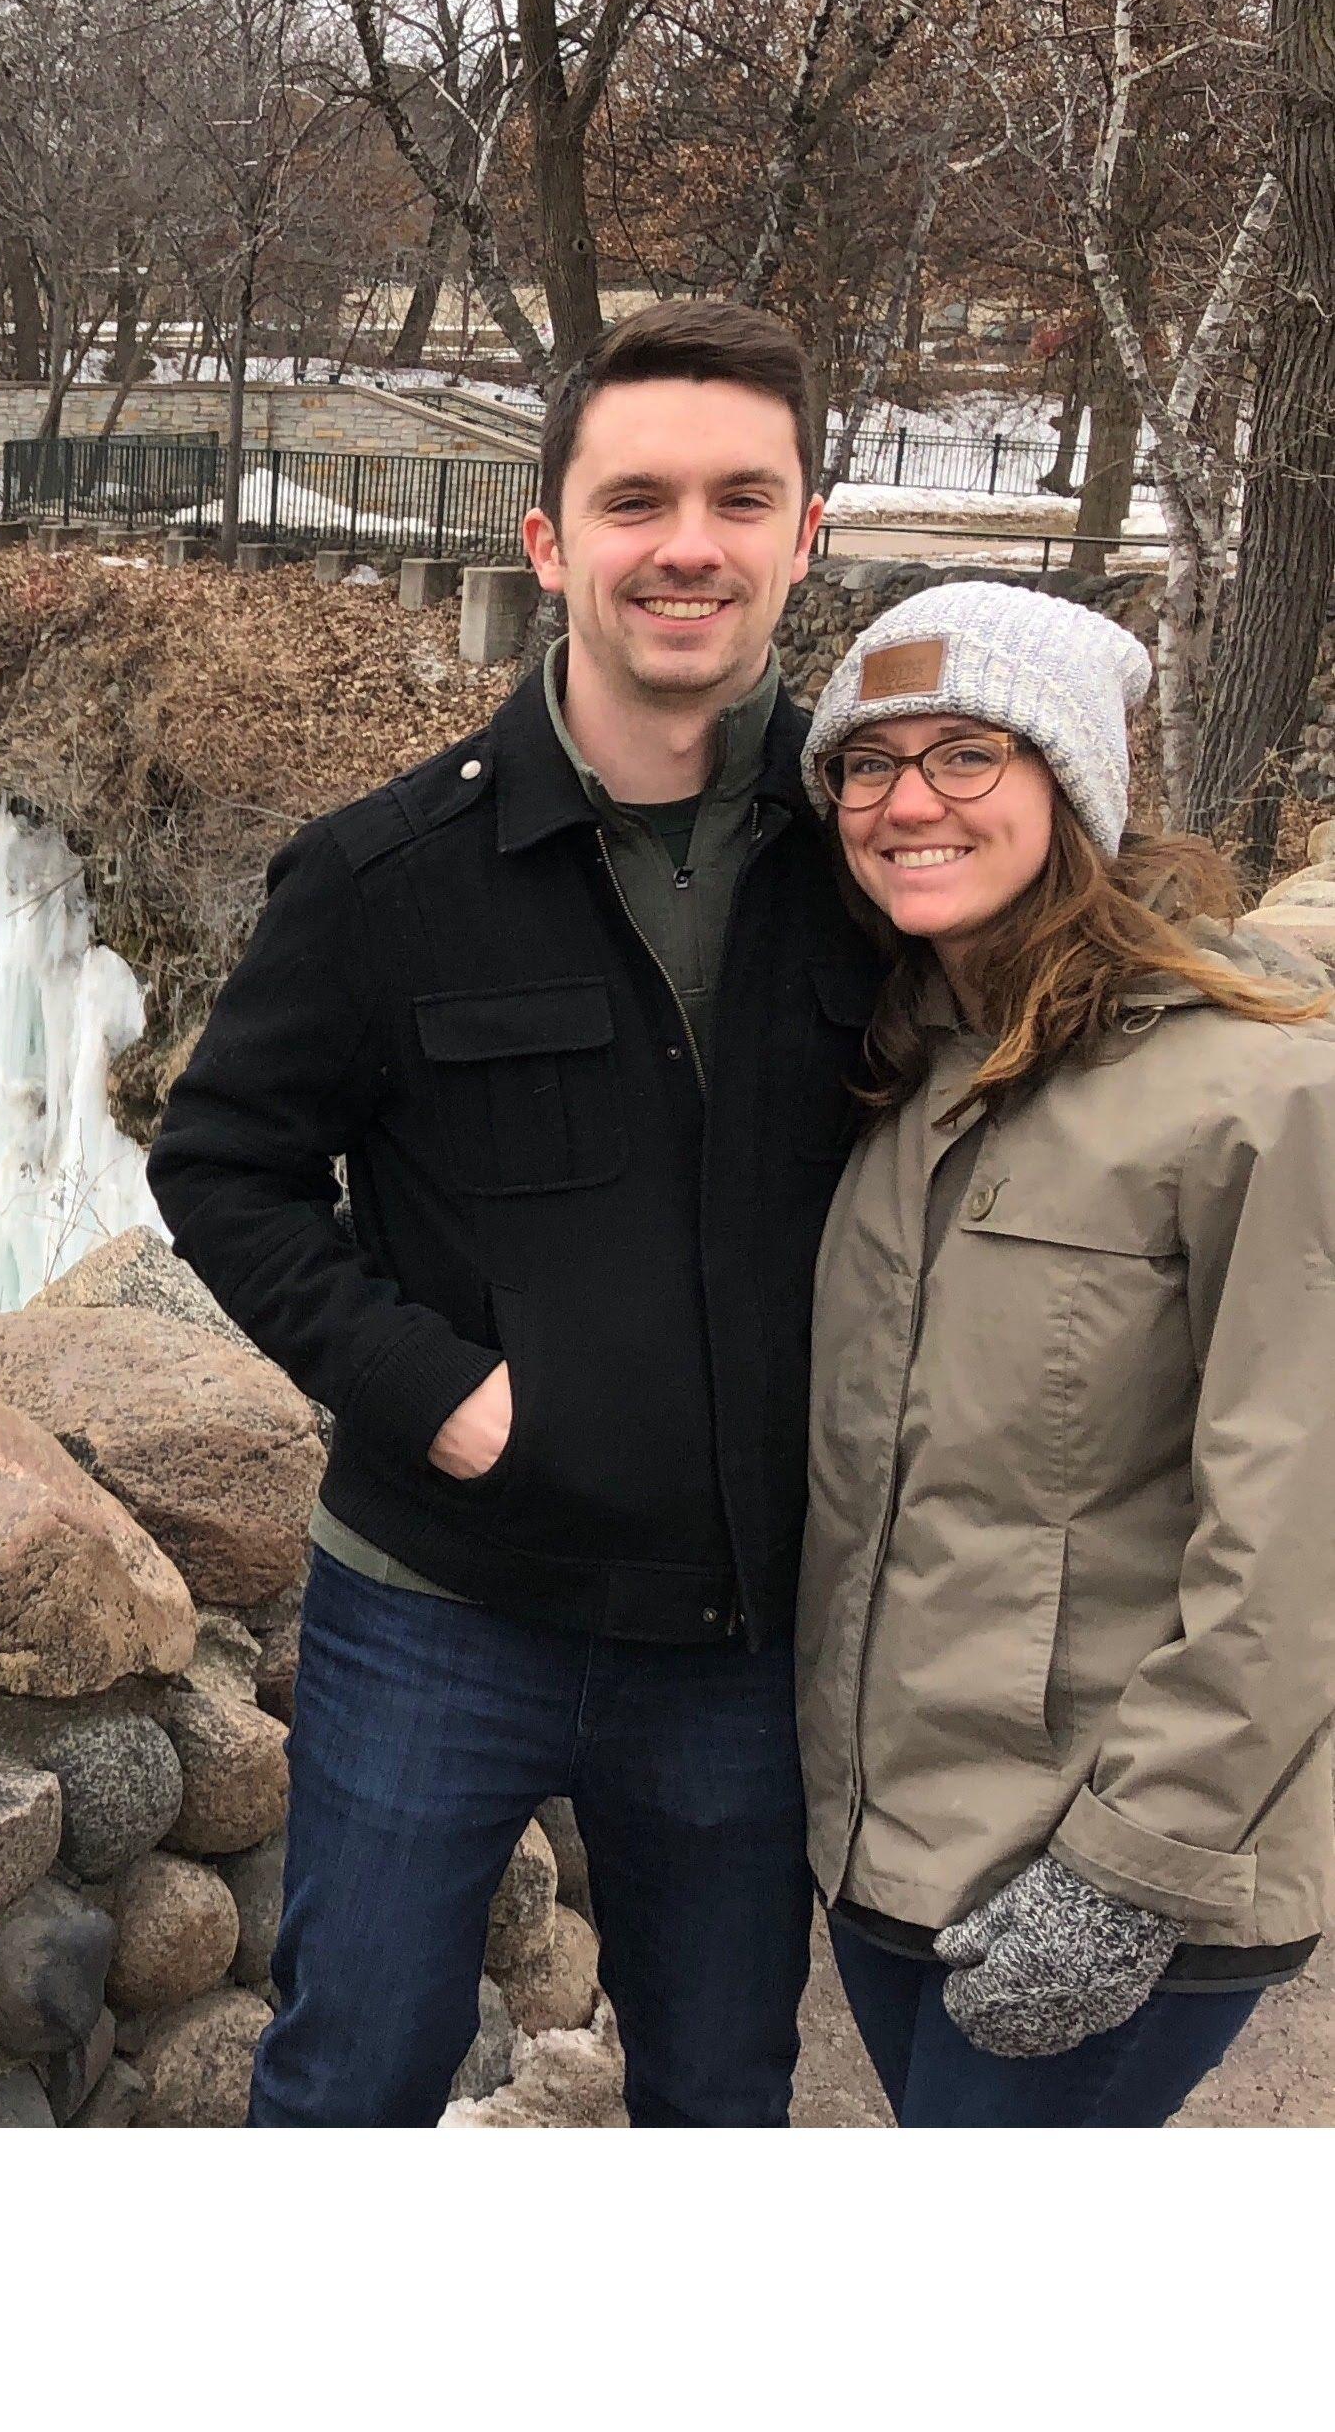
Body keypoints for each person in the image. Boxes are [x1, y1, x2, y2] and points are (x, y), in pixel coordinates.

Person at [148, 300, 878, 2125]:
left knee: (722, 2090)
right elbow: (220, 1163)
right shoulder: (385, 873)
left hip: (742, 1623)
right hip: (438, 1605)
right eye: (635, 499)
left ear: (807, 531)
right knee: (350, 2075)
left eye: (739, 497)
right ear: (549, 540)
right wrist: (422, 1384)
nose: (686, 544)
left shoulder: (879, 863)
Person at [796, 581, 1335, 2126]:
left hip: (1112, 1871)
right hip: (893, 1841)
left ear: (1071, 787)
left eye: (968, 754)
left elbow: (1290, 1538)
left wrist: (1124, 1875)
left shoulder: (1251, 1096)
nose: (909, 802)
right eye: (868, 762)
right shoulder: (909, 1066)